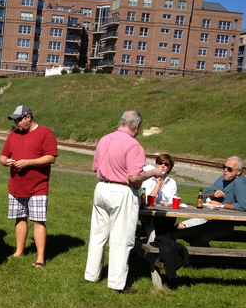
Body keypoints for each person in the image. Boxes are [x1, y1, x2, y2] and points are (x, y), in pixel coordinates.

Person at [84, 111, 162, 294]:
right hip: (122, 191)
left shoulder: (104, 139)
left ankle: (91, 274)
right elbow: (134, 176)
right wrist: (153, 172)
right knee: (121, 239)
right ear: (136, 125)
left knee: (97, 235)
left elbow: (94, 167)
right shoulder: (133, 145)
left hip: (101, 188)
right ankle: (117, 283)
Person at [0, 105, 58, 268]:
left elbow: (50, 158)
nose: (16, 123)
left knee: (38, 220)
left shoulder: (46, 133)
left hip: (38, 186)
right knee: (20, 218)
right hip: (16, 186)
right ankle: (20, 251)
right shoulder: (13, 134)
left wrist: (28, 162)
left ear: (28, 118)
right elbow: (3, 156)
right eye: (15, 120)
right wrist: (6, 162)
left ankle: (40, 258)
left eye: (18, 119)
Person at [177, 156, 246, 245]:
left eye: (229, 169)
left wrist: (221, 205)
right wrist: (212, 195)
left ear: (239, 171)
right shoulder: (221, 179)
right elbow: (205, 196)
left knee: (195, 239)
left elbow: (243, 206)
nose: (225, 170)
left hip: (225, 223)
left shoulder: (240, 182)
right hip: (210, 217)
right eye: (224, 167)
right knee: (179, 227)